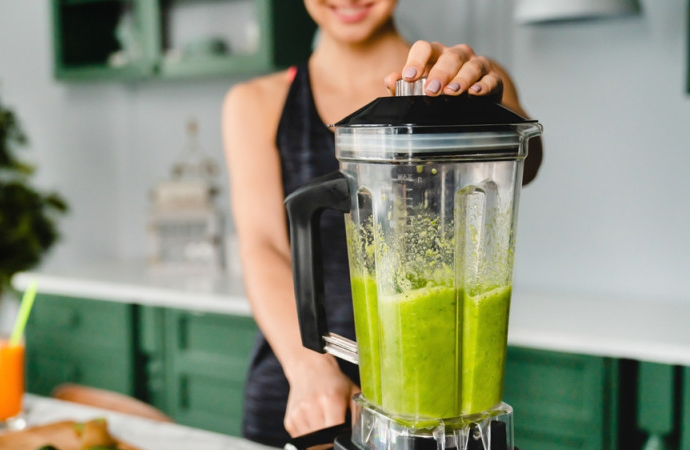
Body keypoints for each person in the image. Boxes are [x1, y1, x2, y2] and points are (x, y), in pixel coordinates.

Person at [222, 1, 543, 447]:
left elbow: (526, 164)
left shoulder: (457, 84)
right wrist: (312, 371)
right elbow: (263, 247)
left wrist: (490, 103)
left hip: (442, 396)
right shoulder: (257, 102)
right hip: (305, 392)